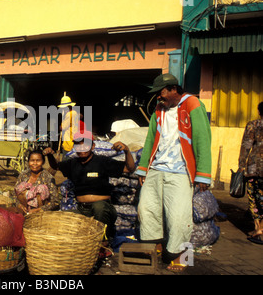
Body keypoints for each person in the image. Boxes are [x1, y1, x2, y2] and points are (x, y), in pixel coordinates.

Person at [136, 73, 212, 272]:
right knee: (147, 209)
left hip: (181, 171)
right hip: (156, 168)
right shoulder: (159, 109)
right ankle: (158, 247)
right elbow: (150, 139)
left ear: (172, 89)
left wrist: (203, 173)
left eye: (161, 92)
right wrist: (143, 168)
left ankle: (184, 256)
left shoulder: (193, 104)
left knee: (179, 216)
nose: (158, 97)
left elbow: (203, 138)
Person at [45, 130, 135, 242]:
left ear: (92, 146)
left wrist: (127, 151)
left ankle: (103, 242)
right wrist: (49, 155)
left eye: (85, 144)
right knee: (63, 218)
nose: (82, 148)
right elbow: (56, 166)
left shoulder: (102, 161)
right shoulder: (72, 164)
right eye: (78, 145)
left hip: (103, 208)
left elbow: (129, 168)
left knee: (99, 207)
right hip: (82, 209)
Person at [238, 102, 263, 245]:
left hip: (254, 168)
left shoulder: (253, 125)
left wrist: (241, 165)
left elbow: (246, 146)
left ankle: (257, 228)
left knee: (253, 198)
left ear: (259, 111)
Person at [14, 150, 60, 214]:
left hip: (41, 214)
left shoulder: (48, 177)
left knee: (41, 188)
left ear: (43, 162)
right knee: (21, 187)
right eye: (32, 160)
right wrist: (19, 205)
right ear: (28, 162)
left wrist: (39, 210)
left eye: (38, 160)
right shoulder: (23, 175)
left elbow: (55, 202)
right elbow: (14, 195)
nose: (35, 163)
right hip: (23, 211)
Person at [58, 92, 80, 159]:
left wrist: (61, 123)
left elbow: (62, 127)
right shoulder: (74, 113)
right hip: (73, 142)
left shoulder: (69, 114)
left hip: (69, 143)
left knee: (66, 162)